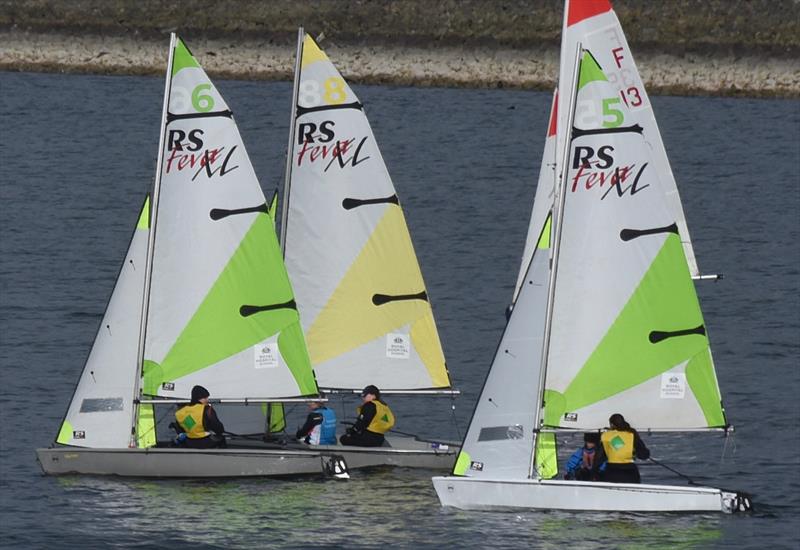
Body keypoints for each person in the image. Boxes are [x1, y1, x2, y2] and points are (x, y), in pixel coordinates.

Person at [598, 413, 650, 483]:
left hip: (611, 473)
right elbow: (644, 455)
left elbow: (599, 458)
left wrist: (593, 474)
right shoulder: (631, 434)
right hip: (630, 474)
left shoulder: (607, 435)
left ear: (612, 424)